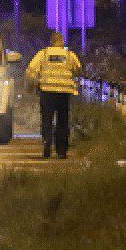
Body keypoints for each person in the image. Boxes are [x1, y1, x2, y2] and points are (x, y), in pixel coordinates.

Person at [25, 31, 83, 159]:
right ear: (62, 42)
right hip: (64, 93)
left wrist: (32, 84)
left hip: (47, 92)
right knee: (63, 120)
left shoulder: (44, 54)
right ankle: (61, 150)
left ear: (51, 42)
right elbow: (78, 69)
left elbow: (31, 70)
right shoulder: (69, 54)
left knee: (47, 119)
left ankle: (47, 142)